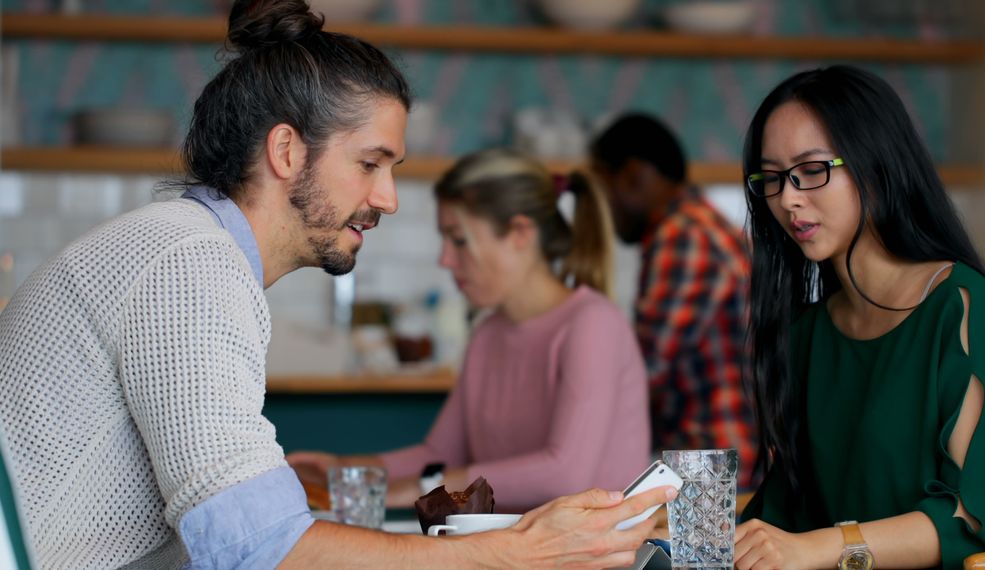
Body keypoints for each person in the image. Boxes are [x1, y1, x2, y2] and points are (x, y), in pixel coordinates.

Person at [0, 1, 674, 568]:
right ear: (287, 151)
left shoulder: (189, 251)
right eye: (369, 164)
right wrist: (513, 547)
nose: (388, 198)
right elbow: (261, 547)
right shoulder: (190, 265)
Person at [733, 65, 985, 570]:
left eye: (812, 169)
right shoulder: (808, 335)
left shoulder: (961, 307)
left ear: (875, 164)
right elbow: (789, 511)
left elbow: (970, 517)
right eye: (771, 178)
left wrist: (818, 548)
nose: (788, 198)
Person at [287, 148, 651, 512]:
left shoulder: (592, 324)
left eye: (459, 240)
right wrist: (348, 471)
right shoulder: (488, 335)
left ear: (520, 234)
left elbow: (564, 475)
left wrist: (417, 491)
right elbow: (440, 454)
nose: (445, 260)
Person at [588, 113, 756, 487]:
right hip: (724, 459)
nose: (602, 208)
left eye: (602, 187)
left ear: (633, 175)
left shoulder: (684, 235)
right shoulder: (700, 223)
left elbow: (642, 369)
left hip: (716, 467)